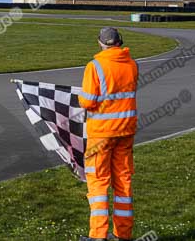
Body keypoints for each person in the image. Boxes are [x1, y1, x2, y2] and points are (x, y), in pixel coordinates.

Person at [78, 27, 138, 241]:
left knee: (98, 182)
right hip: (126, 130)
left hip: (102, 134)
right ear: (120, 42)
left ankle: (98, 235)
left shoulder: (95, 66)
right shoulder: (131, 64)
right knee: (123, 180)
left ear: (100, 43)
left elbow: (87, 101)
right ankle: (123, 234)